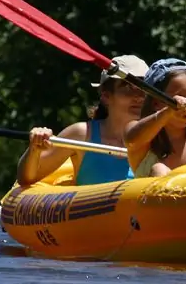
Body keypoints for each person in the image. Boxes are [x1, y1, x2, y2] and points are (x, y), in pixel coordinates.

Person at [16, 55, 147, 186]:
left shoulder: (157, 137)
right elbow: (26, 179)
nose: (139, 98)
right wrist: (34, 149)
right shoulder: (81, 135)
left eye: (143, 89)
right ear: (106, 97)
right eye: (128, 88)